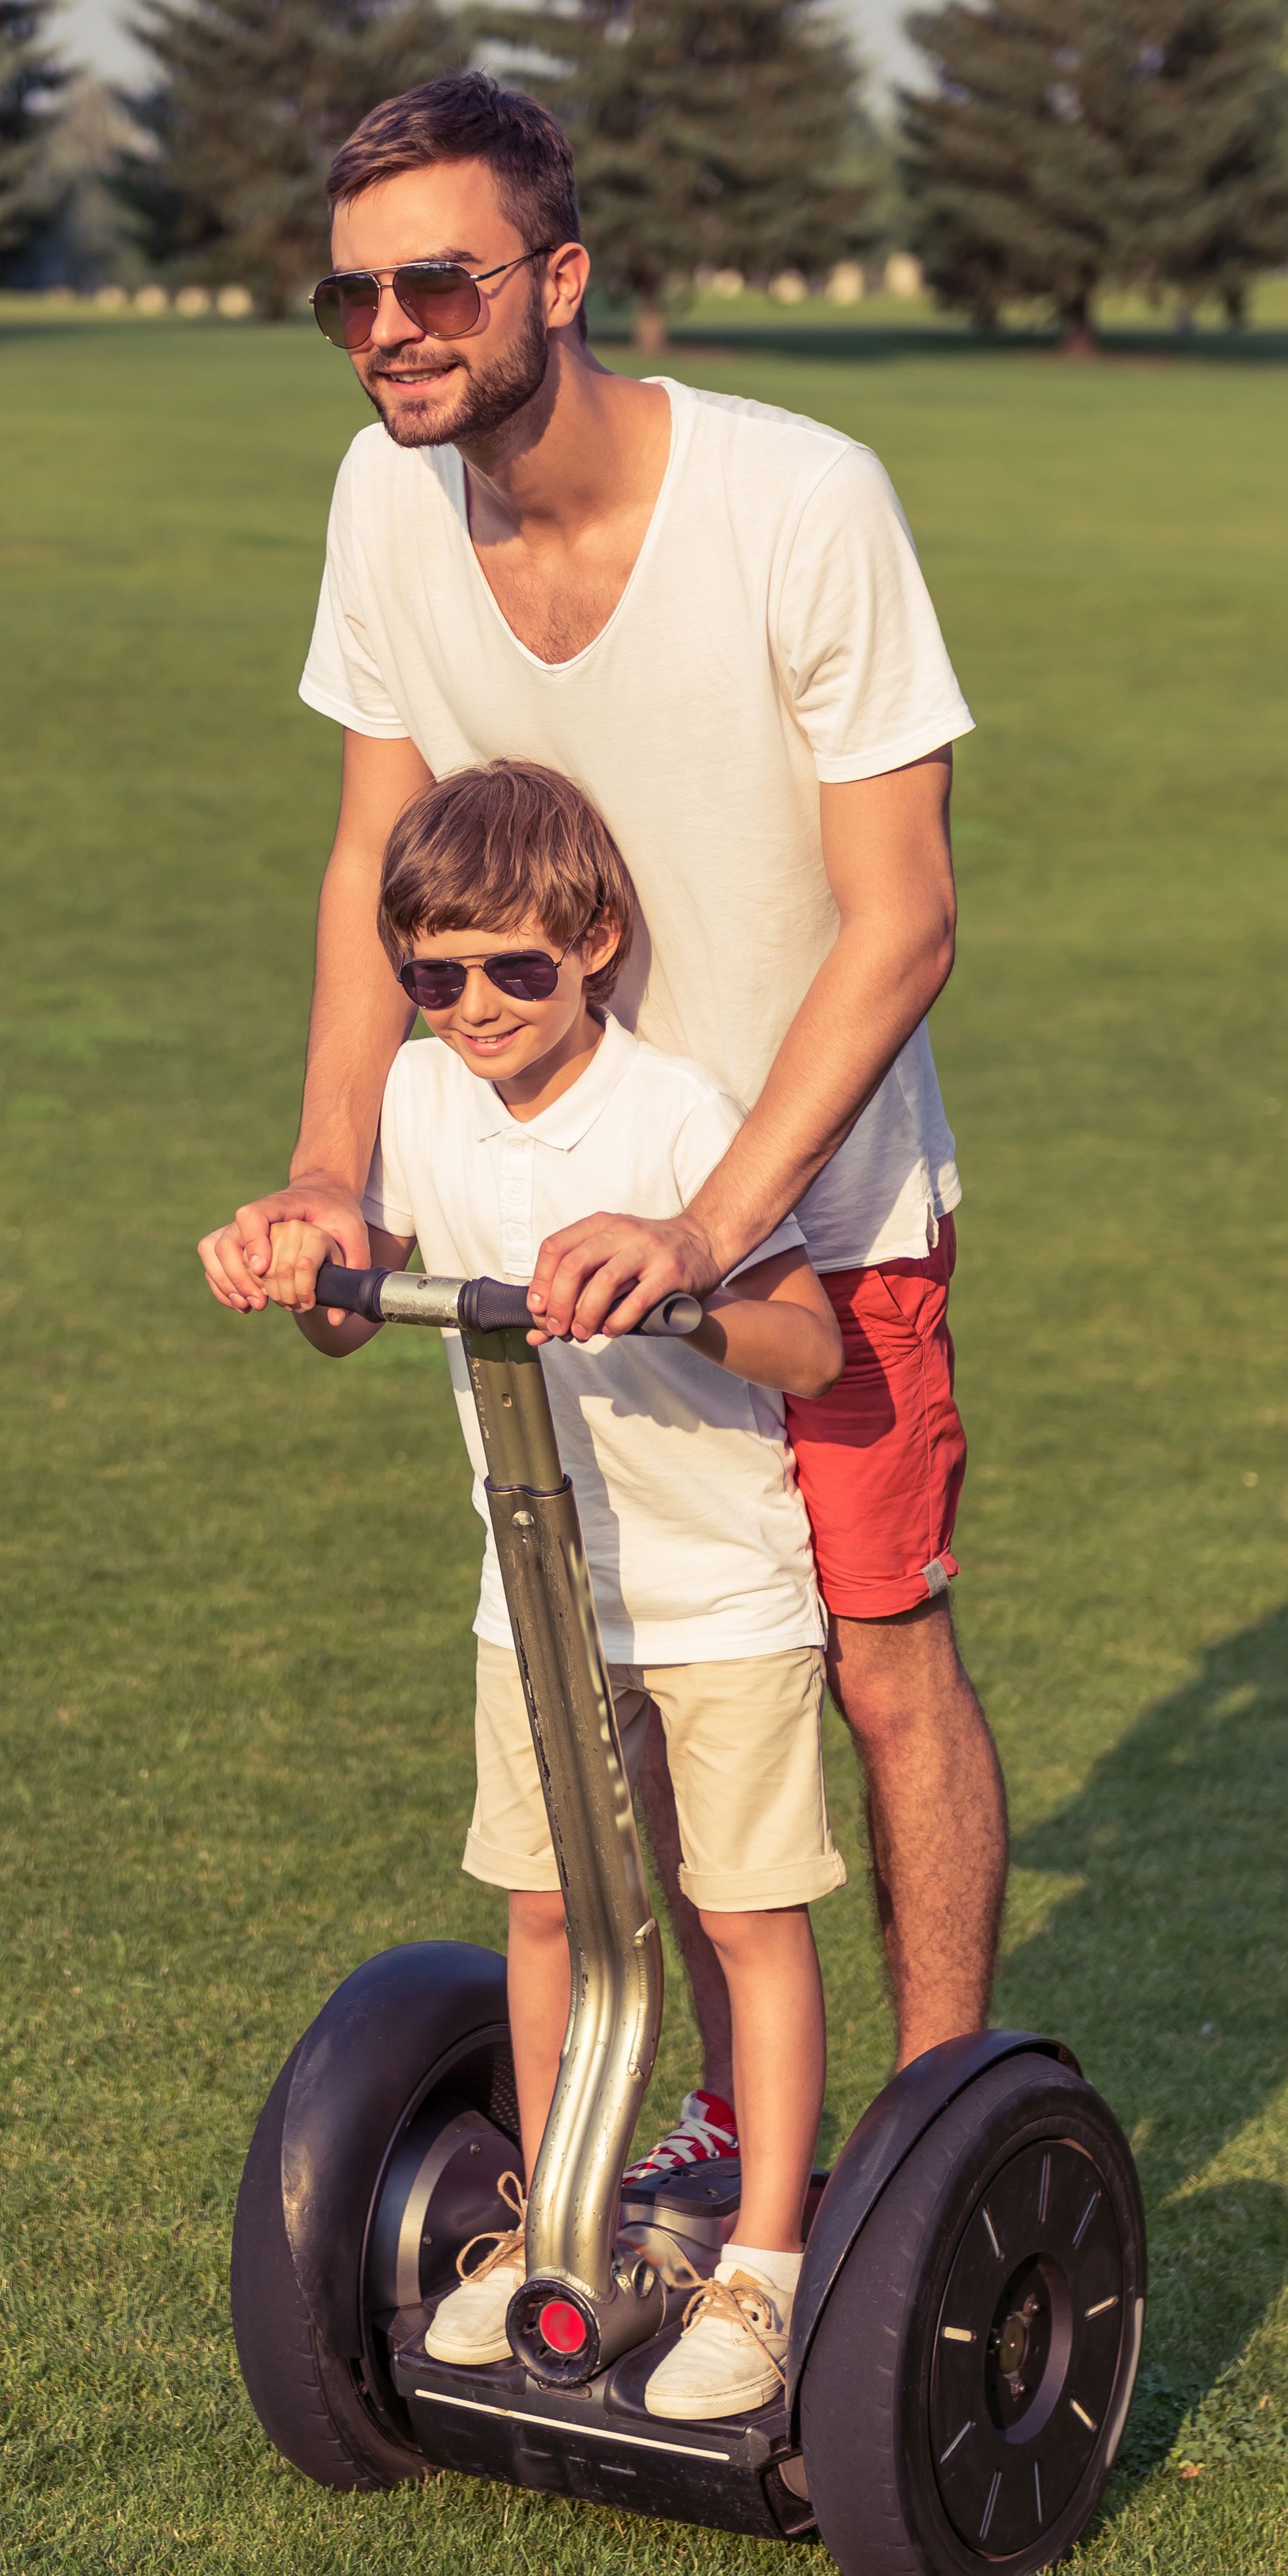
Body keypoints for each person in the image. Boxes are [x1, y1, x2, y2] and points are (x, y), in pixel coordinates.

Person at [198, 73, 1005, 2160]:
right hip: (558, 1211)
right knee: (612, 1665)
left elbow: (901, 921)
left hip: (811, 1208)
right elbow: (372, 852)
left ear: (557, 276)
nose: (393, 328)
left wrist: (721, 1221)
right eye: (353, 294)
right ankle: (705, 2126)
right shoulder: (383, 508)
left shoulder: (796, 500)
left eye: (441, 282)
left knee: (872, 1661)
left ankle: (926, 2147)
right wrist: (328, 1169)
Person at [206, 760, 845, 2419]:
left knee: (738, 1915)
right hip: (536, 1596)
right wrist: (291, 1267)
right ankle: (557, 2224)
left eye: (513, 970)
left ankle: (763, 2269)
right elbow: (347, 1308)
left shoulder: (669, 1114)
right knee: (550, 1911)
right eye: (432, 974)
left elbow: (809, 1341)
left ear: (596, 946)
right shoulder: (417, 1103)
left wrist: (678, 1287)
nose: (472, 1006)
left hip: (715, 1597)